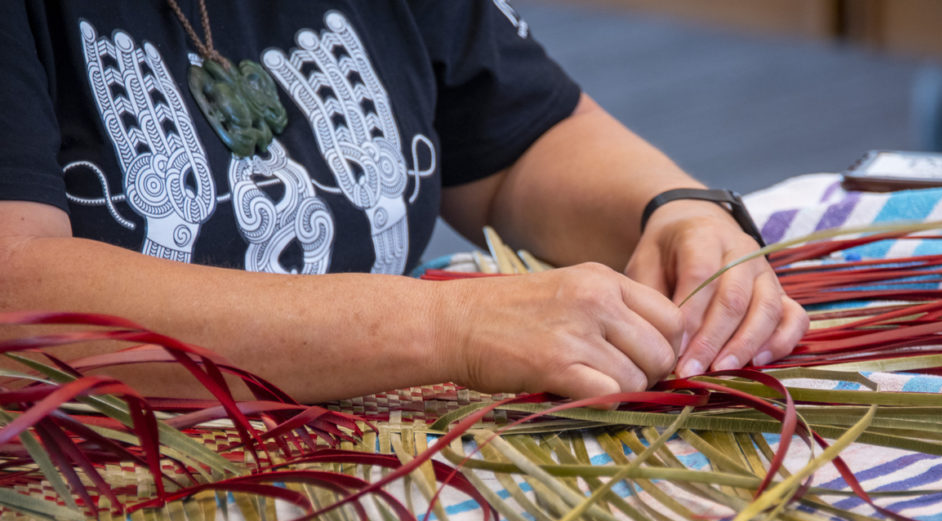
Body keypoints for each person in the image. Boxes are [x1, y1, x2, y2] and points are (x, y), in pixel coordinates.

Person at [0, 0, 807, 403]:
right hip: (113, 503)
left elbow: (517, 142)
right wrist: (446, 326)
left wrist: (674, 210)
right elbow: (19, 296)